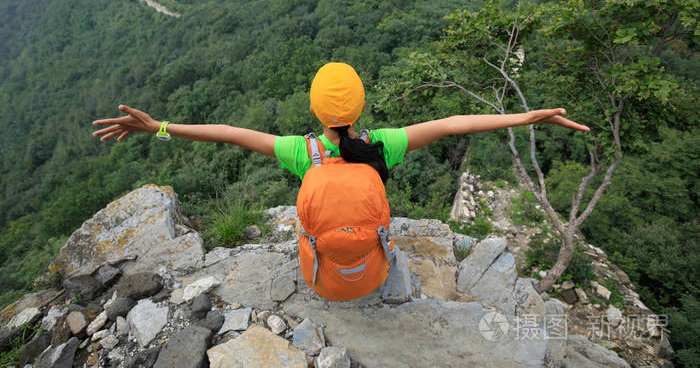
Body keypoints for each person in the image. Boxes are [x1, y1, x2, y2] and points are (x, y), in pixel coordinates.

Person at [92, 62, 589, 300]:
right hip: (374, 268)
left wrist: (158, 126)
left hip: (322, 278)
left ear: (313, 109)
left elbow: (229, 134)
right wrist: (527, 118)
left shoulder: (301, 152)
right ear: (361, 109)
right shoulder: (383, 145)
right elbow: (453, 123)